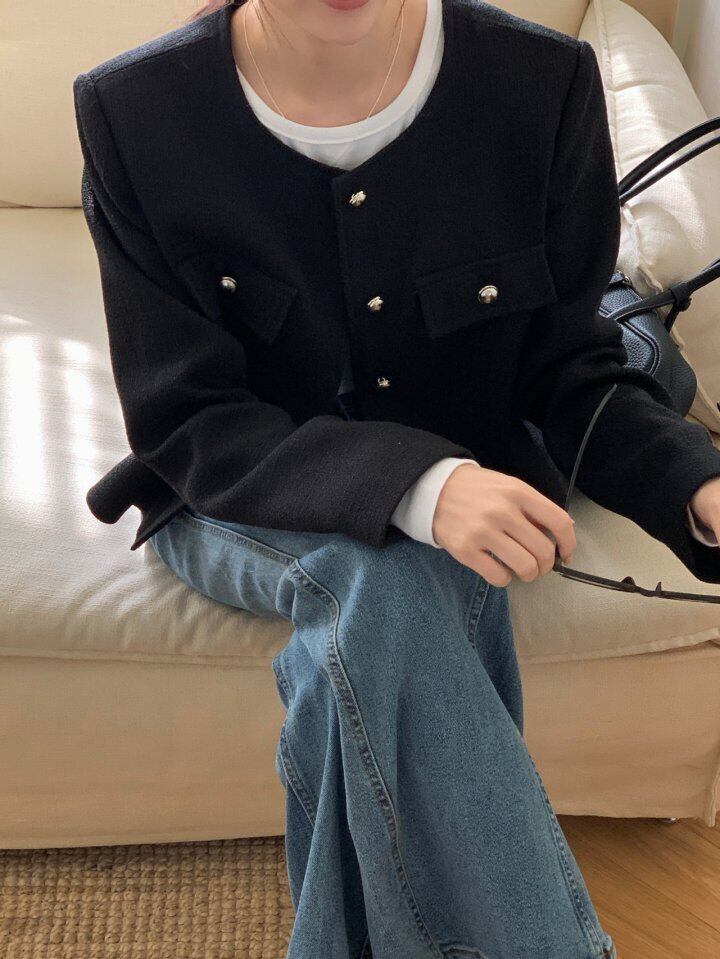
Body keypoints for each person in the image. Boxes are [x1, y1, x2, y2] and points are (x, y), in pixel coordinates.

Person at [72, 1, 720, 955]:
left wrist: (697, 483)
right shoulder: (135, 111)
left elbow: (566, 369)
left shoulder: (541, 87)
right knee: (395, 577)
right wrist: (424, 485)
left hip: (469, 498)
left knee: (385, 600)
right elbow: (189, 416)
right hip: (230, 489)